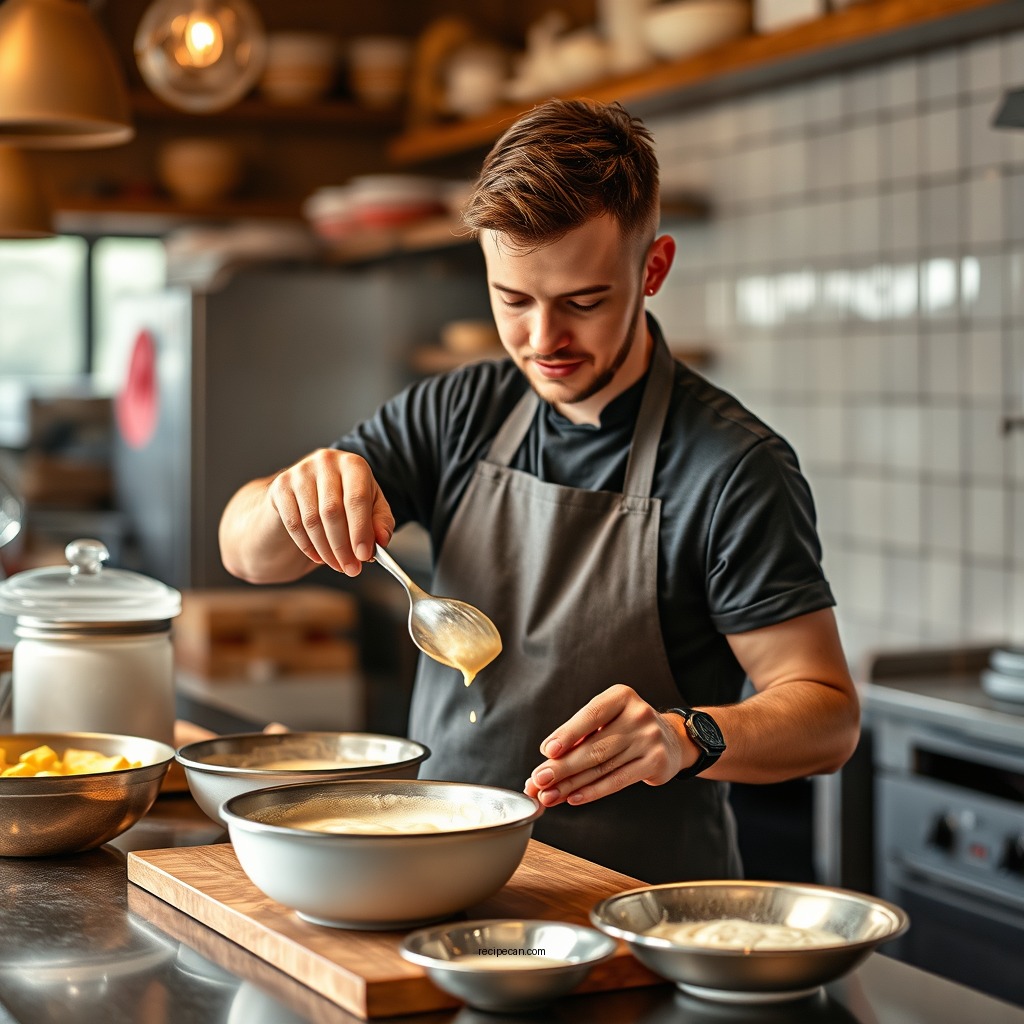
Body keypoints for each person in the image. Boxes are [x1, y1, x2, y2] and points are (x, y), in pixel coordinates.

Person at [219, 99, 860, 884]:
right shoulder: (457, 410)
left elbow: (827, 715)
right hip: (442, 888)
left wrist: (686, 735)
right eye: (512, 300)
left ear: (652, 268)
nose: (543, 340)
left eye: (583, 303)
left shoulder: (733, 466)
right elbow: (246, 552)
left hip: (637, 915)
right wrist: (294, 495)